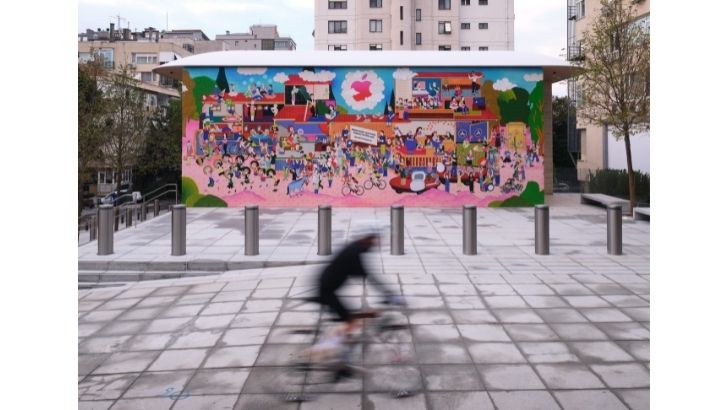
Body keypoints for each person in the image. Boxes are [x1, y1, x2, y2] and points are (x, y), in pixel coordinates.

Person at [307, 229, 406, 358]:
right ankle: (322, 352)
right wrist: (389, 294)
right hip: (327, 292)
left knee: (353, 317)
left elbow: (366, 275)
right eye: (373, 240)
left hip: (328, 286)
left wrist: (387, 293)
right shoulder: (354, 252)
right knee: (351, 321)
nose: (375, 243)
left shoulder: (355, 248)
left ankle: (340, 352)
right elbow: (370, 277)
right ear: (366, 239)